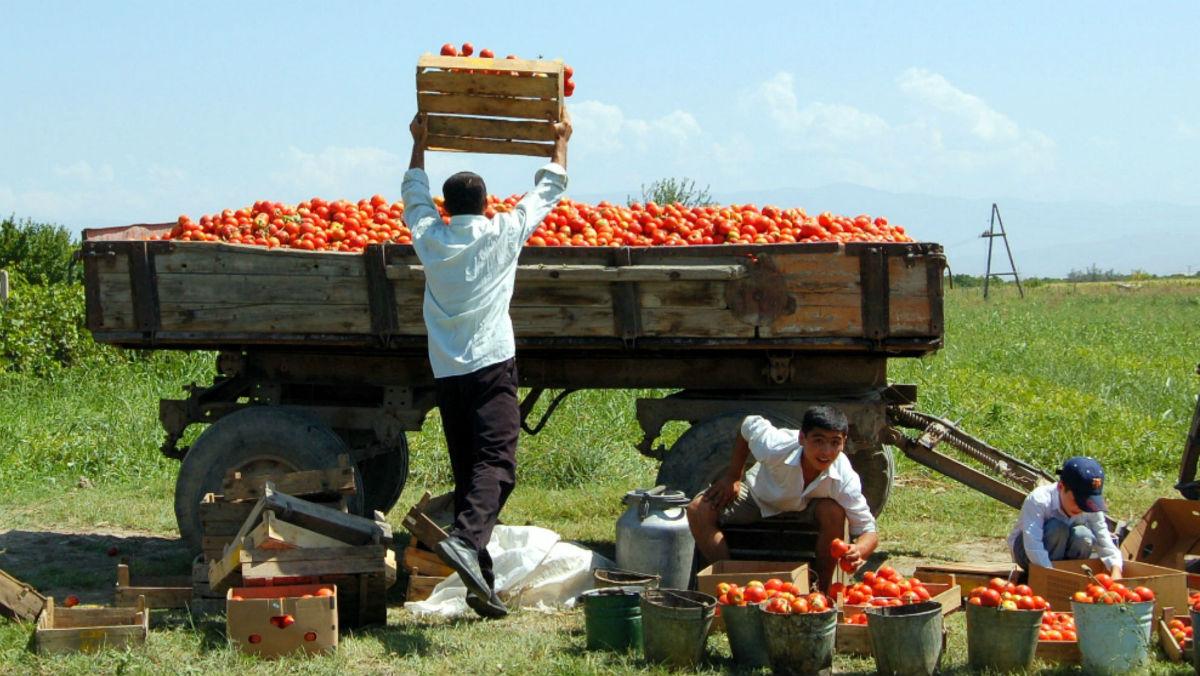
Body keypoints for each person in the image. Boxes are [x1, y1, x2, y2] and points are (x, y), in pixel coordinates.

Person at [402, 109, 571, 618]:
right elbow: (549, 188)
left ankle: (482, 587)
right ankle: (465, 540)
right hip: (492, 365)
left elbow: (412, 192)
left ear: (446, 207)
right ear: (487, 204)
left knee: (469, 469)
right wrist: (561, 140)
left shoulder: (429, 237)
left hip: (448, 370)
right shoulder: (503, 232)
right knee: (497, 466)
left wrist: (419, 142)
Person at [686, 406, 879, 592]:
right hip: (756, 498)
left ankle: (823, 590)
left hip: (804, 509)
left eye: (835, 442)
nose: (826, 452)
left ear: (844, 442)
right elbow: (748, 425)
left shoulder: (844, 476)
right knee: (698, 509)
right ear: (802, 438)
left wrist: (858, 550)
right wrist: (733, 475)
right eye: (818, 441)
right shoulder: (775, 446)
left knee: (833, 512)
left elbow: (868, 530)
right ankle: (729, 580)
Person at [1008, 456, 1123, 577]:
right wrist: (1052, 576)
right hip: (1027, 554)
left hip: (1063, 553)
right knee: (1057, 528)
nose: (1081, 508)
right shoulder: (1039, 500)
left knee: (1084, 535)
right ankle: (1045, 577)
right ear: (1061, 487)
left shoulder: (1090, 507)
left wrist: (1116, 570)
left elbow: (1103, 539)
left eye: (1086, 504)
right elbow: (1033, 545)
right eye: (1077, 501)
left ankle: (1072, 576)